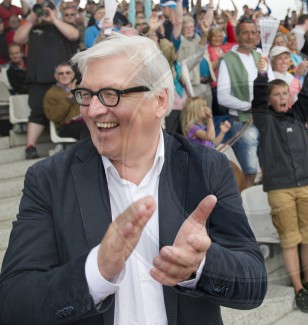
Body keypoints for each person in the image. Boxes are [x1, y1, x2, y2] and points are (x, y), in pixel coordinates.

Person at [0, 33, 267, 324]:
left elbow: (253, 284)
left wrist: (200, 266)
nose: (94, 110)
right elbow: (12, 303)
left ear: (159, 100)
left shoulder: (209, 168)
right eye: (86, 95)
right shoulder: (49, 179)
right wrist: (95, 272)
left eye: (111, 94)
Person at [251, 40, 308, 313]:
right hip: (281, 190)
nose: (283, 97)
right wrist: (262, 76)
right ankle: (298, 289)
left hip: (306, 186)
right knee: (290, 239)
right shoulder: (265, 119)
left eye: (285, 93)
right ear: (270, 100)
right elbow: (258, 99)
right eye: (277, 94)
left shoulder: (297, 115)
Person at [13, 2, 79, 159]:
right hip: (38, 80)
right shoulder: (33, 28)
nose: (44, 13)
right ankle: (30, 146)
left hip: (64, 79)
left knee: (71, 110)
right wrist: (31, 18)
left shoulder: (63, 25)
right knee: (37, 113)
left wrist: (54, 19)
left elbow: (74, 35)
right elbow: (18, 39)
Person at [217, 17, 274, 190]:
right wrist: (250, 106)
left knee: (269, 168)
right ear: (237, 35)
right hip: (243, 122)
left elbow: (272, 85)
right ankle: (246, 212)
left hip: (264, 120)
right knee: (249, 172)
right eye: (245, 32)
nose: (250, 36)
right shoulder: (228, 59)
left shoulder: (261, 56)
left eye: (253, 32)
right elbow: (222, 97)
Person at [43, 62, 89, 140]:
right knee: (86, 128)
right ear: (56, 76)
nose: (65, 76)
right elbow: (53, 116)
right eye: (61, 73)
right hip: (64, 126)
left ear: (73, 75)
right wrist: (70, 97)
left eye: (68, 73)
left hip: (84, 121)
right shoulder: (51, 93)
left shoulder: (81, 89)